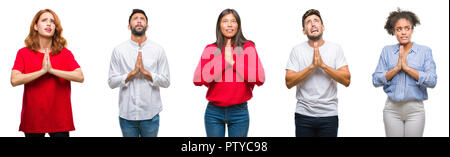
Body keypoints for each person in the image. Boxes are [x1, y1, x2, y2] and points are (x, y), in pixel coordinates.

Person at [10, 9, 84, 137]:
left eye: (52, 22)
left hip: (60, 119)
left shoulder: (65, 53)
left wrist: (52, 71)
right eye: (44, 20)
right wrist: (42, 71)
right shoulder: (23, 53)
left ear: (56, 28)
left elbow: (80, 76)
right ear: (35, 26)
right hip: (33, 119)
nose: (49, 24)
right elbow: (14, 80)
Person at [193, 9, 265, 137]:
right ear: (219, 25)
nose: (230, 24)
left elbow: (260, 78)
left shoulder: (248, 47)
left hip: (239, 113)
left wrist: (233, 63)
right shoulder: (211, 49)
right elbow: (197, 79)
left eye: (233, 21)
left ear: (238, 25)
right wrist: (224, 62)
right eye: (225, 21)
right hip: (214, 112)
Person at [285, 9, 351, 137]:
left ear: (323, 27)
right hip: (303, 115)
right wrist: (312, 67)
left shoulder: (336, 49)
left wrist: (323, 66)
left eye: (316, 21)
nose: (313, 24)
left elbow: (347, 80)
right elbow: (288, 82)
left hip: (329, 115)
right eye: (308, 22)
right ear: (304, 31)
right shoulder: (297, 50)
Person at [372, 9, 437, 137]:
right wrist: (396, 68)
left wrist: (407, 68)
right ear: (394, 31)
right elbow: (376, 80)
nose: (403, 32)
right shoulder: (387, 51)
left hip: (415, 110)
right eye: (399, 29)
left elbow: (432, 81)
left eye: (407, 28)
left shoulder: (424, 51)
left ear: (412, 29)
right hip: (392, 109)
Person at [108, 9, 170, 137]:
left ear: (147, 26)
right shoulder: (118, 51)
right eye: (135, 18)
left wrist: (147, 73)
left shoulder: (158, 50)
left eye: (142, 19)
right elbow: (111, 82)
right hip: (127, 116)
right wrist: (132, 74)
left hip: (151, 116)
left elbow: (166, 81)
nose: (139, 21)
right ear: (129, 26)